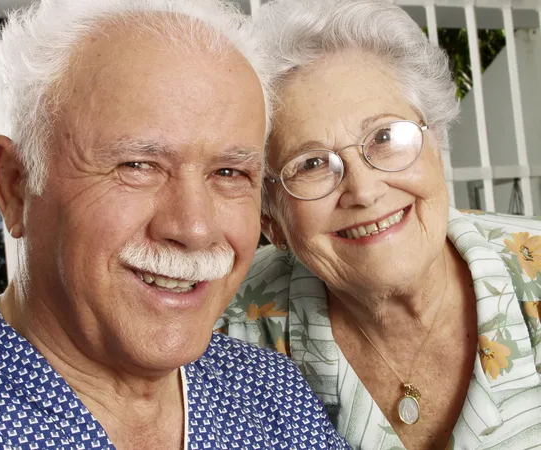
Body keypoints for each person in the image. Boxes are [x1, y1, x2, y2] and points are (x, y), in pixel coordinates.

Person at [0, 1, 350, 449]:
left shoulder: (273, 396)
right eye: (138, 165)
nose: (194, 228)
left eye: (229, 173)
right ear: (16, 187)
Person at [217, 0, 541, 448]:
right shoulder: (220, 330)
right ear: (270, 218)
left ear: (437, 143)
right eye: (311, 164)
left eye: (385, 137)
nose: (364, 191)